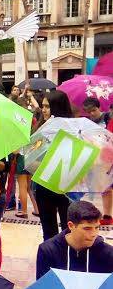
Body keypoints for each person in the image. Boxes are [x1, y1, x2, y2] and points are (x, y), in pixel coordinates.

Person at [34, 90, 74, 240]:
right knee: (48, 230)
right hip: (43, 183)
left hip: (66, 184)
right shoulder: (42, 127)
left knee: (68, 228)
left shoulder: (73, 129)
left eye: (47, 107)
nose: (43, 110)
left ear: (58, 107)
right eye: (43, 106)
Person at [36, 201, 113, 279]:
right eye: (87, 228)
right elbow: (43, 288)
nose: (94, 234)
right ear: (71, 226)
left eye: (97, 227)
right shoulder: (47, 251)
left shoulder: (108, 253)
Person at [82, 97, 112, 225]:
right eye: (89, 112)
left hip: (110, 156)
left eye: (94, 110)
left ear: (99, 107)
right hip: (99, 159)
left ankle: (107, 215)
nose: (92, 114)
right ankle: (107, 216)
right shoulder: (88, 122)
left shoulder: (107, 118)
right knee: (105, 187)